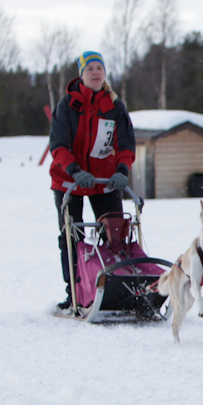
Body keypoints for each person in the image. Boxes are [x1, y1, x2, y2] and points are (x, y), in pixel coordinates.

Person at [49, 51, 136, 312]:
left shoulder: (115, 107)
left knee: (115, 234)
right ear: (81, 74)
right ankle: (74, 292)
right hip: (69, 181)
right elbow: (59, 146)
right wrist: (75, 171)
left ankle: (119, 287)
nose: (96, 72)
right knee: (71, 236)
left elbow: (126, 145)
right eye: (90, 69)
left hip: (104, 180)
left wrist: (122, 170)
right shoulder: (67, 106)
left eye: (100, 68)